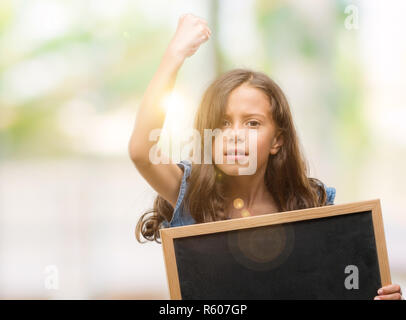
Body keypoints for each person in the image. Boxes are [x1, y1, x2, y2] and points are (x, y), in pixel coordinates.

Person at [128, 13, 403, 300]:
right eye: (223, 123)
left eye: (253, 123)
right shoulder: (191, 194)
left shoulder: (311, 202)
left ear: (277, 140)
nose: (236, 134)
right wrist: (176, 54)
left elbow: (338, 287)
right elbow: (140, 152)